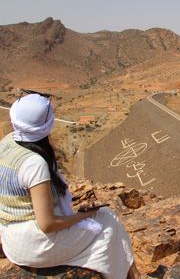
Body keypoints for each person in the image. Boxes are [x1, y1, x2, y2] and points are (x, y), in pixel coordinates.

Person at [0, 90, 144, 279]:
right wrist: (81, 216)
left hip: (12, 237)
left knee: (102, 222)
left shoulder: (6, 142)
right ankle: (131, 275)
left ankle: (133, 274)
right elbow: (47, 224)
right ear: (46, 125)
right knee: (107, 219)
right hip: (34, 245)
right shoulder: (34, 163)